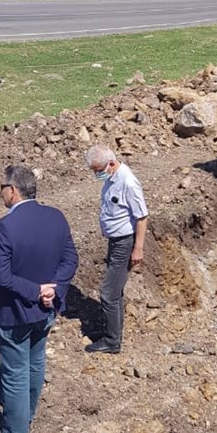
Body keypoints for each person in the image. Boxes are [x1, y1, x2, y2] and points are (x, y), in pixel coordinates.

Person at [0, 165, 78, 433]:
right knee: (35, 361)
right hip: (46, 309)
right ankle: (26, 415)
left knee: (15, 371)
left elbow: (2, 277)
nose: (1, 194)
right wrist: (52, 289)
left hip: (15, 312)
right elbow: (71, 259)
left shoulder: (6, 227)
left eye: (2, 188)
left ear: (13, 190)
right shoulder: (56, 217)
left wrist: (36, 290)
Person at [84, 144, 148, 355]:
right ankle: (112, 332)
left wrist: (138, 248)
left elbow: (141, 217)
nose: (96, 174)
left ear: (111, 163)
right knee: (115, 291)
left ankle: (112, 341)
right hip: (115, 241)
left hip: (124, 243)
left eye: (98, 170)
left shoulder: (127, 182)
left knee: (108, 292)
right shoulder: (112, 178)